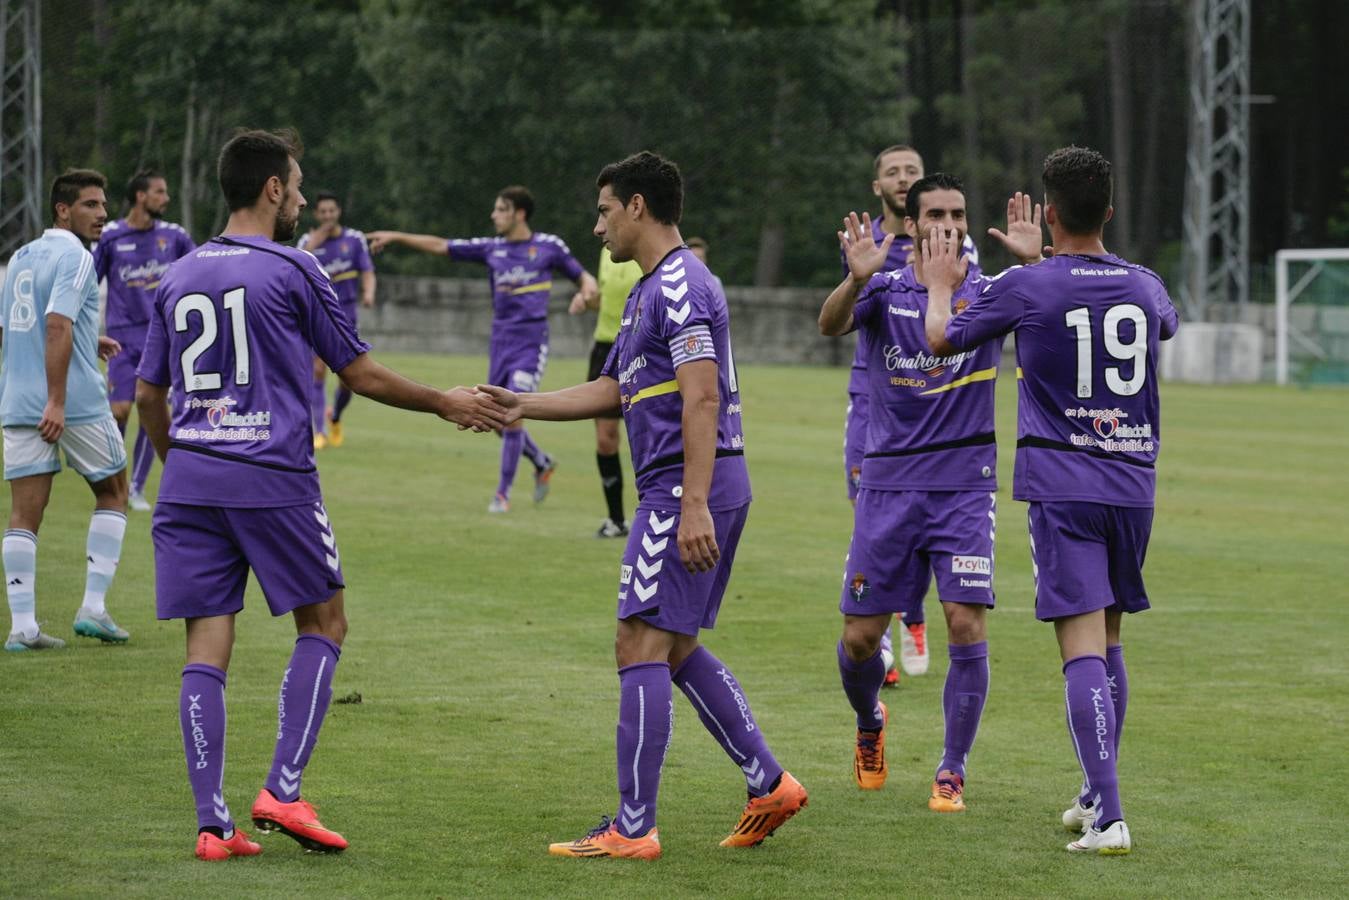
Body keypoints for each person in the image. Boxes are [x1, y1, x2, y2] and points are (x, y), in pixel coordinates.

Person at [134, 129, 505, 862]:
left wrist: (184, 461)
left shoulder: (177, 273)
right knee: (325, 623)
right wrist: (442, 401)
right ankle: (282, 788)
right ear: (272, 189)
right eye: (297, 186)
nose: (302, 199)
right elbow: (359, 374)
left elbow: (149, 395)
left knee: (205, 648)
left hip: (189, 486)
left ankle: (213, 826)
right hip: (271, 478)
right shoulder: (294, 266)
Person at [474, 151, 806, 860]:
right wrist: (521, 404)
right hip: (695, 482)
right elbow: (614, 390)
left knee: (637, 641)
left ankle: (633, 826)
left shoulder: (681, 283)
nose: (596, 227)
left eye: (602, 210)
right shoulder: (652, 291)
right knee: (673, 644)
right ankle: (768, 782)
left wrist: (690, 505)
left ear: (637, 207)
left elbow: (703, 395)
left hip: (687, 484)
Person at [924, 146, 1179, 854]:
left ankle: (1110, 818)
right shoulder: (1143, 283)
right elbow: (1164, 322)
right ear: (1108, 210)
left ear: (1046, 212)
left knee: (1079, 649)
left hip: (1063, 485)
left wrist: (942, 283)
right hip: (1132, 487)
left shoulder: (1025, 286)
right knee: (1111, 638)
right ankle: (1096, 791)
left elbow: (941, 338)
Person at [820, 174, 1042, 811]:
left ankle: (952, 768)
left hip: (963, 489)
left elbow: (1056, 306)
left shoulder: (992, 292)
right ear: (911, 224)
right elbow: (830, 325)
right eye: (935, 214)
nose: (949, 223)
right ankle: (870, 723)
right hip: (887, 487)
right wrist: (855, 279)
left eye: (958, 213)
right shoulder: (885, 289)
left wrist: (1038, 262)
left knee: (964, 621)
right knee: (860, 638)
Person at [837, 145, 980, 683]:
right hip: (875, 401)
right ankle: (891, 624)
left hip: (941, 407)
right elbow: (839, 316)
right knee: (874, 519)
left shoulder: (961, 252)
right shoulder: (869, 245)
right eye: (892, 173)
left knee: (926, 522)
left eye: (911, 172)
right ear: (878, 188)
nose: (902, 179)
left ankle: (914, 619)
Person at [369, 187, 598, 512]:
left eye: (501, 209)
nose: (494, 215)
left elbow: (585, 278)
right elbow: (441, 246)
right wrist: (397, 236)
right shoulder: (491, 248)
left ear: (519, 213)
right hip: (500, 343)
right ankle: (541, 461)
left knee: (512, 411)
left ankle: (501, 496)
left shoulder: (548, 246)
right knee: (495, 418)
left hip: (530, 344)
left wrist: (586, 294)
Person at [1, 168, 131, 650]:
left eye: (103, 205)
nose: (103, 214)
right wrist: (56, 399)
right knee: (114, 490)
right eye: (91, 205)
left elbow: (22, 326)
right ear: (63, 209)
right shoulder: (76, 256)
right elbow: (55, 325)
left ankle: (23, 628)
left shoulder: (20, 256)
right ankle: (93, 608)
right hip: (69, 401)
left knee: (23, 514)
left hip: (16, 399)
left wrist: (84, 337)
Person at [93, 169, 195, 510]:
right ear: (140, 196)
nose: (166, 199)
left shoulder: (175, 237)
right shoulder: (110, 237)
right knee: (119, 410)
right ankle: (113, 480)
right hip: (122, 337)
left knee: (152, 408)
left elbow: (196, 275)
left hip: (163, 337)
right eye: (160, 192)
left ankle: (135, 487)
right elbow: (90, 283)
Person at [297, 191, 376, 449]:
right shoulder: (308, 241)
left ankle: (336, 417)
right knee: (317, 369)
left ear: (338, 211)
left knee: (349, 378)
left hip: (347, 315)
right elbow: (295, 266)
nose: (328, 215)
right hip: (317, 315)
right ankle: (318, 431)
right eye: (323, 212)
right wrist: (314, 241)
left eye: (332, 210)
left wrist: (369, 293)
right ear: (317, 214)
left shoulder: (354, 240)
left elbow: (367, 272)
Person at [574, 245, 641, 537]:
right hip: (605, 349)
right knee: (605, 439)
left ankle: (661, 514)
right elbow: (606, 299)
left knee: (648, 438)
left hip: (640, 346)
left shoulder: (646, 249)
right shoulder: (606, 251)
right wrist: (587, 300)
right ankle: (616, 519)